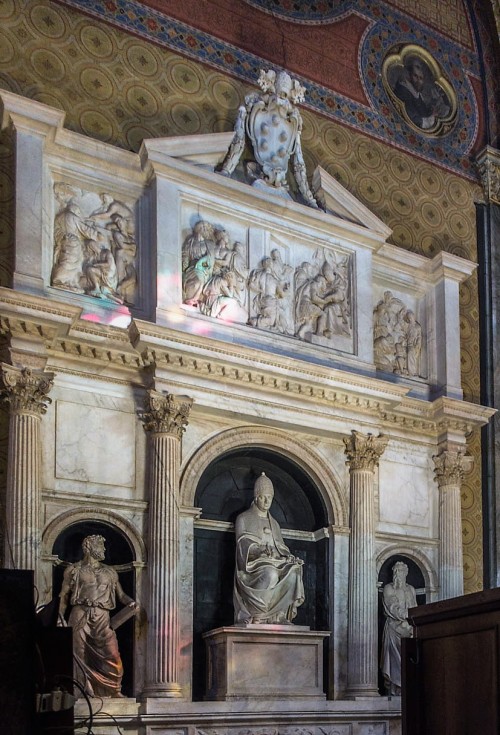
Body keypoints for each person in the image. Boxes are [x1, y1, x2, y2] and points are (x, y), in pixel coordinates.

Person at [58, 534, 138, 698]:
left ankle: (114, 689)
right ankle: (82, 691)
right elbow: (63, 597)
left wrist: (131, 602)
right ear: (88, 546)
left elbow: (121, 595)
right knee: (78, 654)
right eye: (100, 546)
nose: (104, 549)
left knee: (113, 655)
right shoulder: (73, 570)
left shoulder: (110, 572)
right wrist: (60, 617)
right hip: (80, 613)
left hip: (102, 616)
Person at [233, 472, 305, 625]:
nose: (267, 501)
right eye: (263, 497)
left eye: (270, 498)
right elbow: (242, 546)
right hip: (253, 568)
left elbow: (281, 547)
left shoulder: (275, 524)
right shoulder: (243, 518)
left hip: (274, 562)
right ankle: (259, 615)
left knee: (294, 573)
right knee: (271, 574)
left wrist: (288, 557)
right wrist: (259, 550)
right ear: (256, 497)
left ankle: (278, 616)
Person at [380, 561, 417, 695]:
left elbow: (415, 607)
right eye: (396, 571)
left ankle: (407, 688)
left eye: (401, 571)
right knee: (394, 660)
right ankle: (394, 688)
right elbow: (391, 606)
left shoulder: (411, 589)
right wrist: (405, 615)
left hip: (408, 627)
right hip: (393, 627)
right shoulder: (389, 588)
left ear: (406, 573)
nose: (398, 574)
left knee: (409, 656)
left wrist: (411, 618)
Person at [394, 59, 449, 131]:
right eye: (415, 76)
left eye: (421, 78)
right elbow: (412, 117)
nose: (418, 81)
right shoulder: (403, 91)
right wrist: (431, 118)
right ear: (409, 76)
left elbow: (423, 111)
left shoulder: (416, 94)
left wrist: (432, 111)